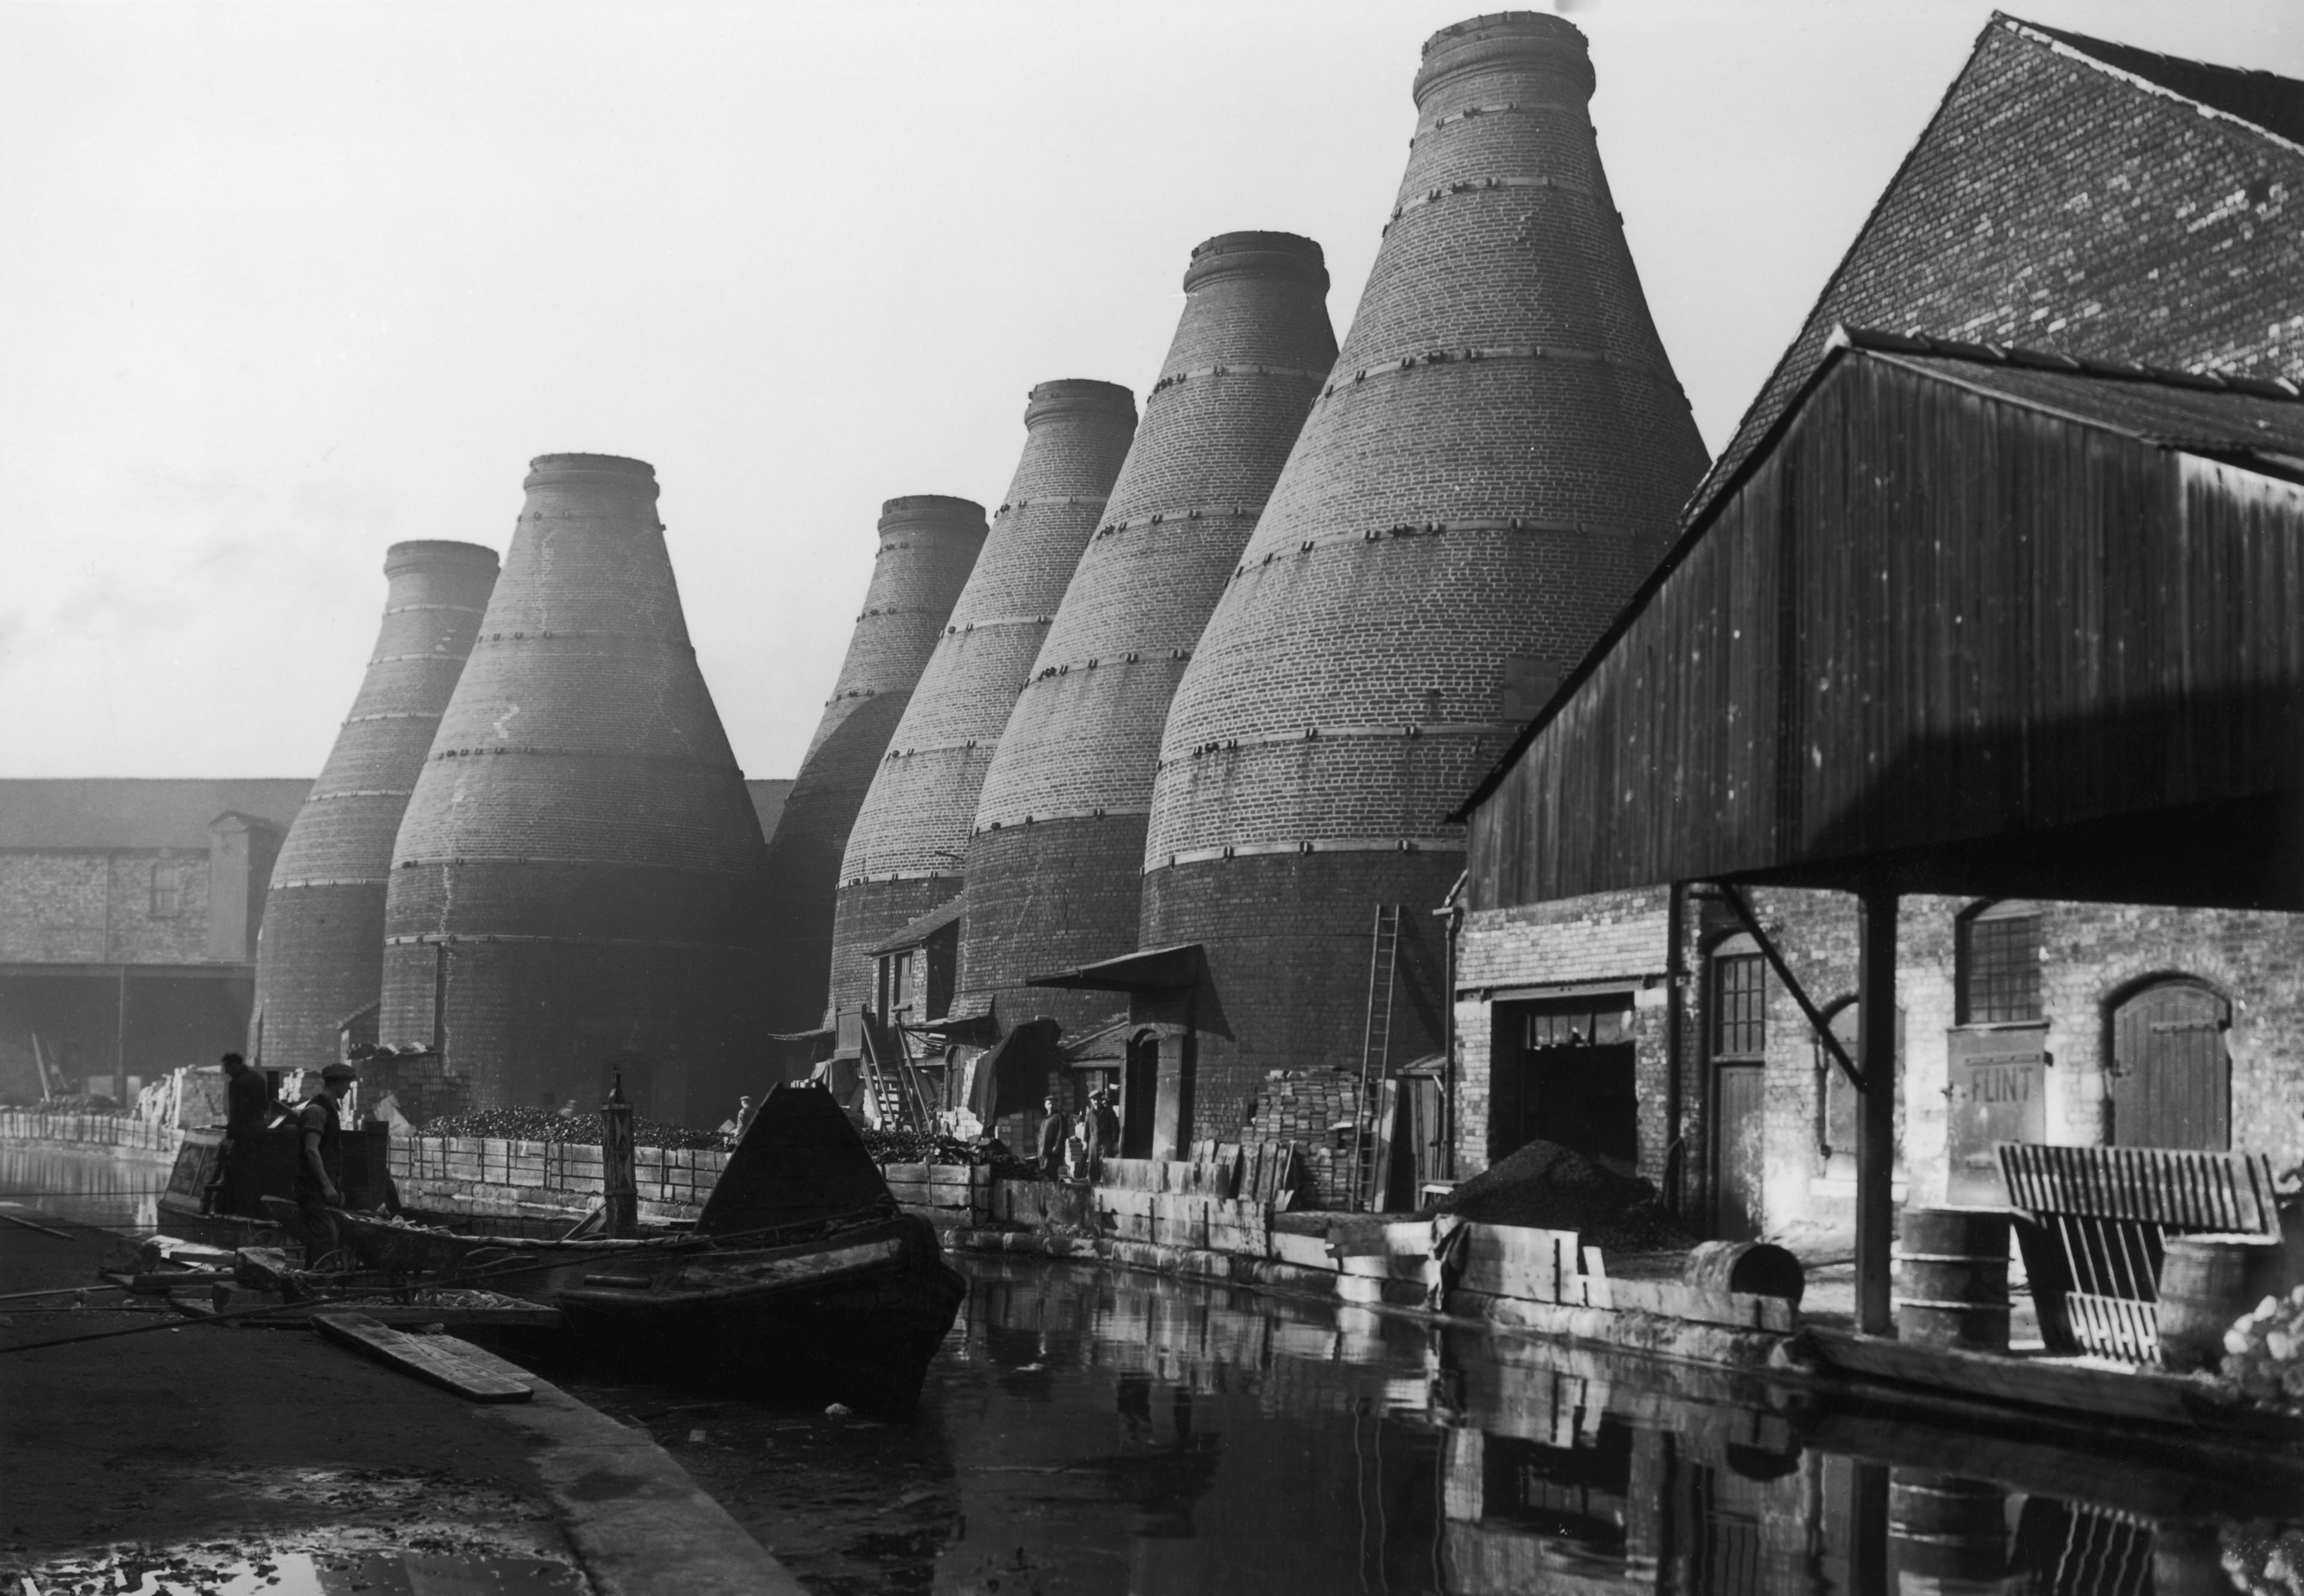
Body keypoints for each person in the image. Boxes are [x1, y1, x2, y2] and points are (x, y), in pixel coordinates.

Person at [294, 1061, 358, 1267]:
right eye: (347, 1083)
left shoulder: (329, 1110)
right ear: (338, 1082)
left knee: (324, 1236)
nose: (349, 1088)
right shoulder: (316, 1111)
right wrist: (327, 1186)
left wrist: (336, 1187)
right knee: (326, 1236)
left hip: (320, 1189)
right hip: (312, 1189)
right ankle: (320, 1284)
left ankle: (313, 1282)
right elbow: (312, 1151)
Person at [202, 1052, 272, 1216]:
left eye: (227, 1068)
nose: (226, 1073)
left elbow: (238, 1113)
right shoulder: (257, 1078)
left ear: (234, 1065)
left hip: (245, 1133)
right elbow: (264, 1104)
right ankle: (254, 1208)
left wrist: (229, 1137)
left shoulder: (239, 1083)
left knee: (239, 1172)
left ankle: (240, 1210)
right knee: (255, 1171)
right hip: (260, 1129)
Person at [1036, 1094, 1066, 1180]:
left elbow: (1062, 1134)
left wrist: (1057, 1147)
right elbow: (1041, 1134)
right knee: (1044, 1172)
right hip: (1043, 1151)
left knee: (1052, 1173)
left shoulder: (1059, 1117)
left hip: (1052, 1152)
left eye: (1054, 1104)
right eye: (1049, 1104)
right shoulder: (1046, 1119)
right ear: (1046, 1106)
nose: (1051, 1106)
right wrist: (1039, 1144)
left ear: (1057, 1105)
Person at [1087, 1087, 1120, 1163]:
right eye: (1094, 1100)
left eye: (1098, 1099)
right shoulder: (1089, 1114)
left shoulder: (1109, 1112)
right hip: (1093, 1144)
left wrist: (1115, 1142)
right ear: (1091, 1101)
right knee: (1094, 1168)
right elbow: (1087, 1130)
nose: (1096, 1102)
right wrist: (1086, 1142)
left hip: (1106, 1144)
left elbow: (1115, 1128)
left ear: (1101, 1100)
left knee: (1106, 1166)